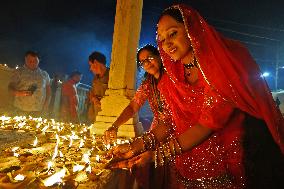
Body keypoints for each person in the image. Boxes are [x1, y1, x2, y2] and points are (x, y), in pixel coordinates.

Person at [109, 4, 284, 189]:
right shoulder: (172, 76)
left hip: (224, 166)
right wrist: (135, 147)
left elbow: (206, 124)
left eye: (173, 33)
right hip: (185, 165)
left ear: (190, 29)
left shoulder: (217, 68)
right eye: (161, 38)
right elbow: (168, 121)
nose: (166, 43)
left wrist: (154, 155)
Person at [105, 44, 178, 189]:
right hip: (157, 131)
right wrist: (114, 126)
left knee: (172, 175)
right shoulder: (147, 84)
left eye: (150, 58)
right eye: (143, 62)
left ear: (159, 56)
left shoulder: (174, 78)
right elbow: (133, 106)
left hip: (178, 131)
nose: (147, 63)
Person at [8, 50, 51, 117]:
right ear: (25, 60)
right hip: (20, 109)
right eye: (29, 61)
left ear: (39, 60)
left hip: (38, 111)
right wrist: (19, 93)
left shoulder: (44, 74)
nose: (32, 63)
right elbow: (10, 88)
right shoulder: (18, 72)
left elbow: (48, 92)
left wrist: (46, 106)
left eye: (35, 61)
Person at [87, 51, 109, 123]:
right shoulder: (95, 79)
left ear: (96, 62)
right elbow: (92, 93)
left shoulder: (111, 76)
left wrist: (102, 101)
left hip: (106, 117)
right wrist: (93, 98)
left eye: (91, 65)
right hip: (95, 116)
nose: (90, 69)